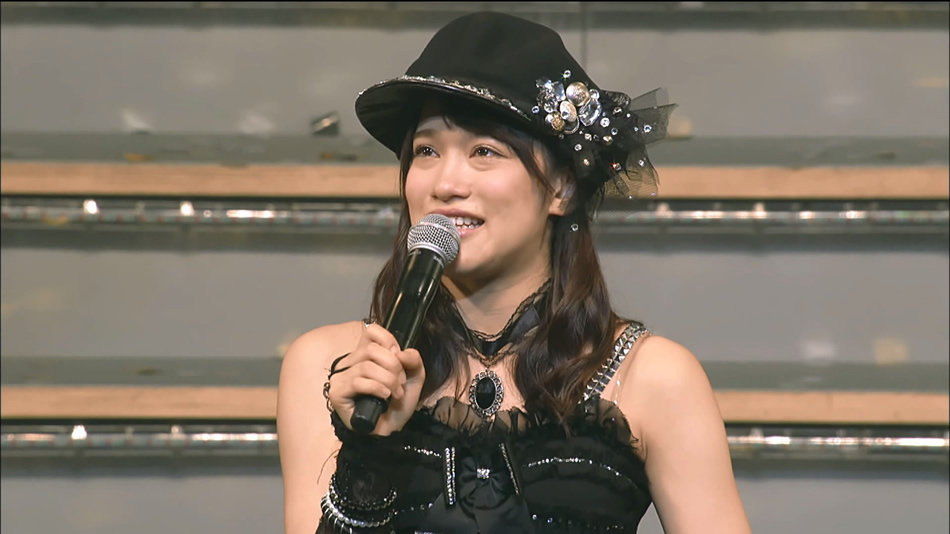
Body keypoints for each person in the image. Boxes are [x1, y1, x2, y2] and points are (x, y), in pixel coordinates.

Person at [278, 11, 751, 534]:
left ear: (561, 188)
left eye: (484, 151)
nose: (445, 183)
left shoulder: (654, 378)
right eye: (426, 151)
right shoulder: (332, 367)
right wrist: (366, 455)